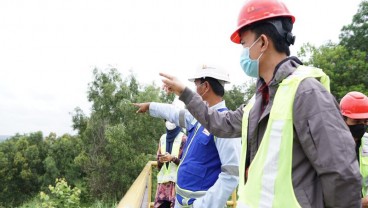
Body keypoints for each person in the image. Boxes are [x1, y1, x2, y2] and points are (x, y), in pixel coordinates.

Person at [158, 0, 362, 207]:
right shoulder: (259, 100)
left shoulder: (307, 93)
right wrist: (185, 93)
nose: (243, 52)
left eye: (245, 44)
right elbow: (220, 123)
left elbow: (341, 173)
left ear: (263, 43)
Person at [134, 65, 241, 208]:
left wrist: (203, 205)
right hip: (181, 200)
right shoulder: (199, 117)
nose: (195, 89)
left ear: (206, 86)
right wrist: (150, 106)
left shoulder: (226, 125)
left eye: (196, 85)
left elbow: (231, 176)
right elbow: (173, 113)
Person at [340, 91, 368, 208]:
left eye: (365, 121)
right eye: (356, 121)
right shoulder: (330, 145)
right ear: (342, 119)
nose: (361, 126)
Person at [154, 119, 187, 208]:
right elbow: (159, 165)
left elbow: (187, 164)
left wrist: (173, 158)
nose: (169, 122)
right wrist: (160, 161)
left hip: (177, 185)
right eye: (167, 119)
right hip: (163, 186)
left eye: (171, 119)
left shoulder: (184, 139)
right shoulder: (163, 138)